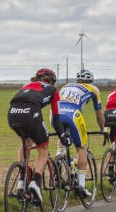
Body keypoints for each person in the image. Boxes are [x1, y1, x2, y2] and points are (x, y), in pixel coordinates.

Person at [8, 68, 63, 204]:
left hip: (12, 114)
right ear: (52, 81)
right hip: (31, 114)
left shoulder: (26, 86)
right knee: (43, 149)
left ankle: (22, 179)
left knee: (26, 142)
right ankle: (35, 184)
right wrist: (62, 135)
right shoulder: (53, 90)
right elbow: (56, 119)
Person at [57, 69, 103, 197]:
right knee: (81, 148)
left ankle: (59, 161)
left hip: (56, 114)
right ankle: (81, 186)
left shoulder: (65, 86)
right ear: (90, 81)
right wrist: (102, 129)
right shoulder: (94, 89)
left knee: (62, 137)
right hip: (73, 114)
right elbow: (99, 115)